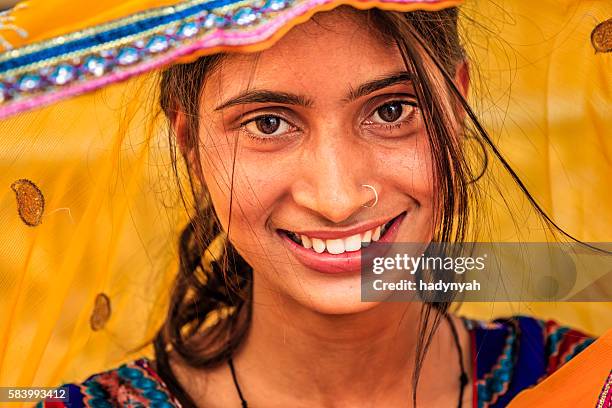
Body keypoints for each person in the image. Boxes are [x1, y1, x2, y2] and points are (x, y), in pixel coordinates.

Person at [0, 0, 606, 407]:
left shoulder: (579, 383)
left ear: (458, 102)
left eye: (391, 111)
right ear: (188, 141)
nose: (338, 199)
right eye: (268, 123)